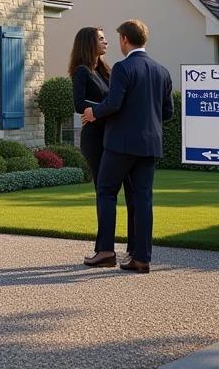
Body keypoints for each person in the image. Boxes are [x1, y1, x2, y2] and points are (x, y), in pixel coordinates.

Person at [81, 20, 174, 273]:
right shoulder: (162, 71)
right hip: (150, 145)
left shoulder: (123, 68)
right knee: (143, 199)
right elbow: (168, 112)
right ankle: (141, 258)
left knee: (106, 191)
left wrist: (93, 114)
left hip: (120, 144)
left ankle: (106, 251)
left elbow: (113, 104)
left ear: (124, 39)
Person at [67, 26, 134, 263]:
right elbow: (78, 103)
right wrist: (100, 110)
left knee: (124, 191)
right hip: (94, 138)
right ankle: (104, 249)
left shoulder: (107, 70)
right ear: (89, 43)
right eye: (101, 39)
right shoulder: (82, 71)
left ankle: (127, 248)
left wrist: (103, 110)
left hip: (112, 135)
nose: (107, 42)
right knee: (103, 191)